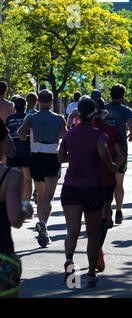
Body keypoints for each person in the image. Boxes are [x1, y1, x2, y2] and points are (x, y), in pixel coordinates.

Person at [58, 96, 118, 288]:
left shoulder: (70, 134)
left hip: (71, 188)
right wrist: (112, 165)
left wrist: (75, 157)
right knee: (92, 234)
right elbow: (104, 155)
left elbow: (60, 157)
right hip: (93, 188)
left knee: (72, 232)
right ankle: (91, 274)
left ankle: (69, 260)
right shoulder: (99, 135)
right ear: (94, 114)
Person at [18, 89, 66, 248]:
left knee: (40, 196)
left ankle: (41, 227)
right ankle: (44, 224)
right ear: (52, 101)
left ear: (38, 101)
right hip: (52, 157)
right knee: (48, 198)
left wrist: (29, 133)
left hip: (36, 157)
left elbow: (20, 135)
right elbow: (65, 139)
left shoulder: (30, 117)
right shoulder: (59, 119)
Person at [91, 91, 124, 271]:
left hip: (84, 180)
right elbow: (122, 154)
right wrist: (113, 166)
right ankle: (98, 251)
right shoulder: (110, 131)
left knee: (90, 218)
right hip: (106, 178)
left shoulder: (77, 131)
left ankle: (94, 252)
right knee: (103, 214)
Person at [0, 119, 33, 298]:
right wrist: (25, 207)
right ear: (3, 144)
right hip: (2, 256)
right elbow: (15, 220)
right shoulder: (10, 176)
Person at [103, 83, 132, 225]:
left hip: (103, 146)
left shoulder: (103, 109)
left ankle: (107, 211)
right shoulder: (126, 110)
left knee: (105, 181)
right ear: (123, 96)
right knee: (119, 182)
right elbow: (131, 126)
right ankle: (119, 210)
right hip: (120, 149)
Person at [6, 98, 33, 211]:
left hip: (13, 152)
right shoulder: (29, 118)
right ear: (25, 107)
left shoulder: (9, 118)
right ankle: (26, 205)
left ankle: (15, 203)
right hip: (26, 151)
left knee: (14, 180)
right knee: (27, 179)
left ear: (15, 107)